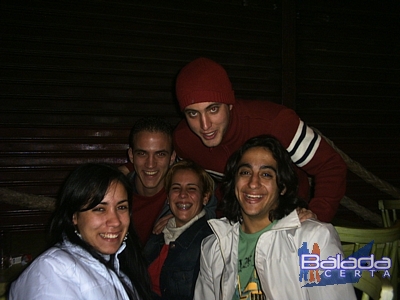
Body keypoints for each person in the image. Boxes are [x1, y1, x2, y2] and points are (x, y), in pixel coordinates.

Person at [172, 57, 347, 222]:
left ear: (230, 103)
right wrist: (175, 215)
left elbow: (331, 165)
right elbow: (185, 182)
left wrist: (316, 216)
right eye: (193, 113)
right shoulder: (184, 140)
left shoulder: (276, 123)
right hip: (232, 222)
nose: (205, 125)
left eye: (213, 109)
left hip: (289, 216)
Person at [193, 135, 356, 300]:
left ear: (282, 186)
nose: (253, 183)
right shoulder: (213, 247)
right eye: (245, 172)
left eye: (266, 175)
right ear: (234, 182)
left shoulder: (313, 240)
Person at [9, 163, 152, 300]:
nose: (115, 221)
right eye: (100, 209)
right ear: (74, 216)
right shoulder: (51, 272)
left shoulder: (122, 261)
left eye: (121, 207)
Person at [119, 117, 216, 246]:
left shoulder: (184, 193)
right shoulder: (116, 191)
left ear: (172, 157)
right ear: (131, 155)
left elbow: (213, 213)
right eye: (142, 154)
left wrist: (187, 216)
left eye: (160, 154)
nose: (150, 164)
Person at [144, 160, 213, 300]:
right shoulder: (158, 233)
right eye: (176, 188)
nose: (182, 195)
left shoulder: (210, 241)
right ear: (168, 197)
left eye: (191, 188)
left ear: (205, 198)